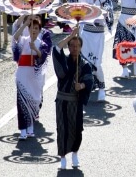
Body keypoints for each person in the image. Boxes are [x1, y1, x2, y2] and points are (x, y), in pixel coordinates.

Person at [53, 25, 94, 170]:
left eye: (77, 45)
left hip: (75, 102)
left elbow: (90, 81)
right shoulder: (63, 61)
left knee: (77, 129)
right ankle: (63, 157)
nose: (75, 48)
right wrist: (71, 35)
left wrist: (82, 86)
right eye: (72, 45)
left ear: (81, 47)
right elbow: (56, 49)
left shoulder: (85, 65)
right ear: (69, 47)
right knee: (62, 128)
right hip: (62, 101)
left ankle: (75, 154)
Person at [12, 14, 52, 140]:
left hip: (34, 76)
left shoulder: (41, 43)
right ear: (28, 29)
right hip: (23, 74)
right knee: (22, 102)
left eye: (36, 28)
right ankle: (23, 130)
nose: (33, 30)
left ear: (39, 30)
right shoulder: (24, 39)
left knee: (34, 101)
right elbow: (15, 37)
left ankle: (30, 128)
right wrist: (25, 23)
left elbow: (43, 56)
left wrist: (36, 49)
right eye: (31, 28)